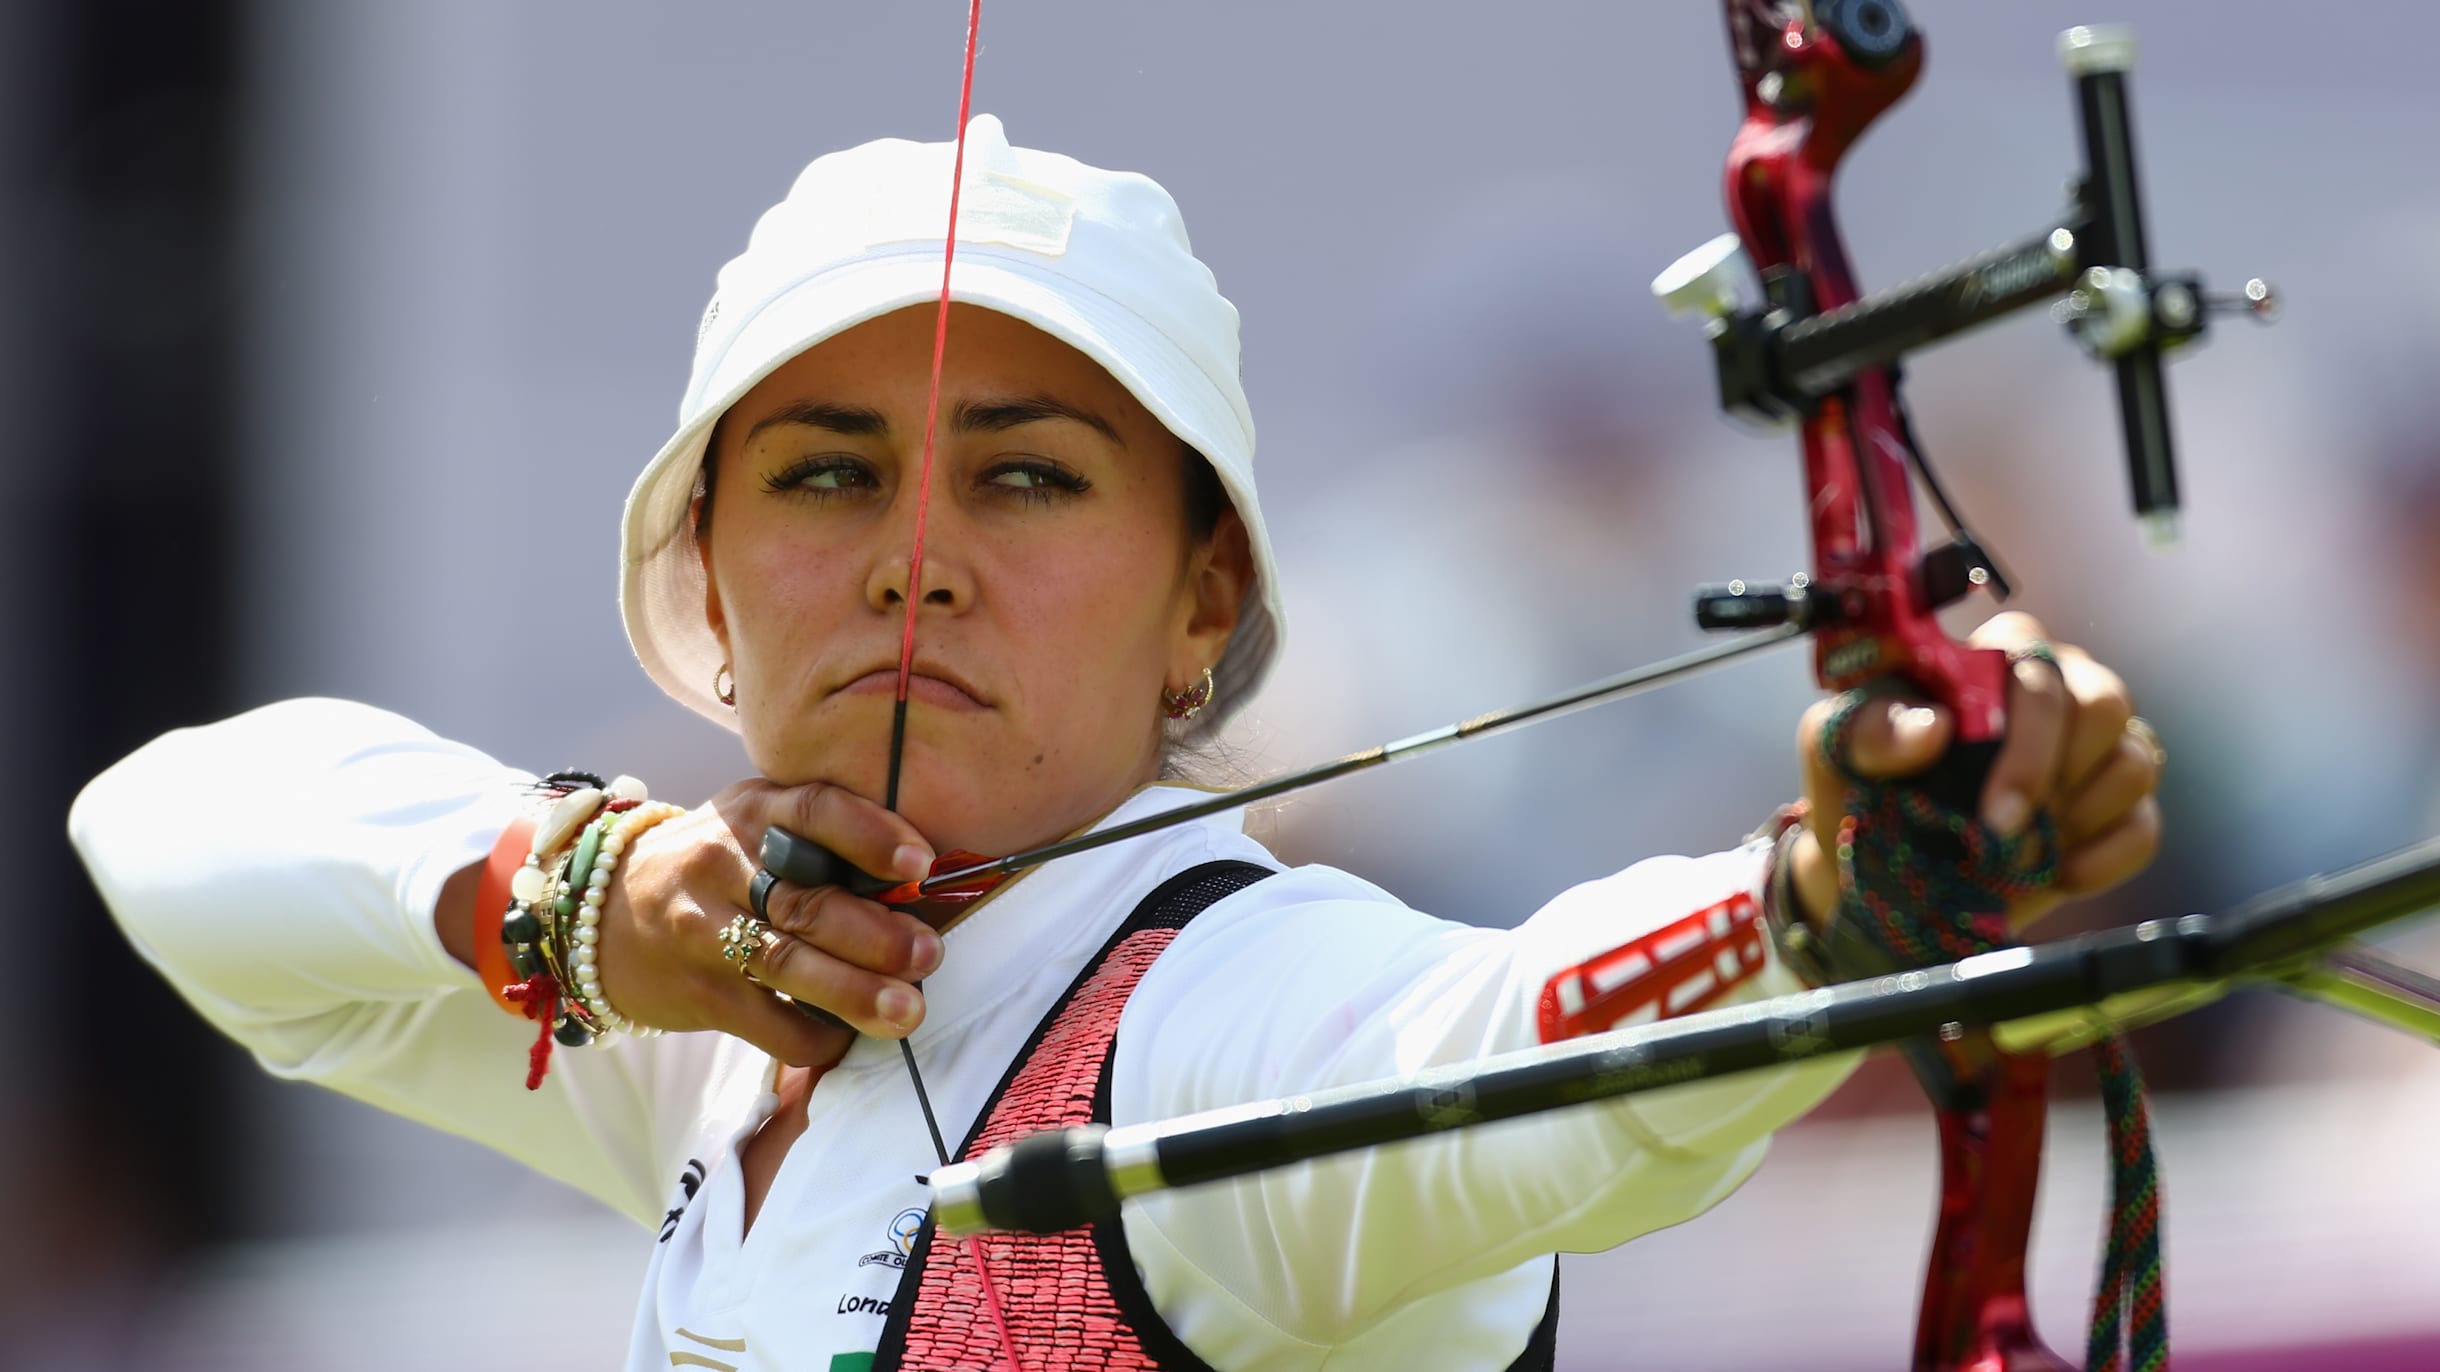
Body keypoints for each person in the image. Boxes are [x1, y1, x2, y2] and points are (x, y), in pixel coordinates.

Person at [66, 116, 2162, 1371]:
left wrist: (1817, 906)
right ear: (705, 578)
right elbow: (165, 835)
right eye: (818, 474)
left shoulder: (1228, 1018)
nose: (915, 562)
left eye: (1031, 478)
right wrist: (580, 894)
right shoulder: (712, 1024)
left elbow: (1508, 1052)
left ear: (1201, 605)